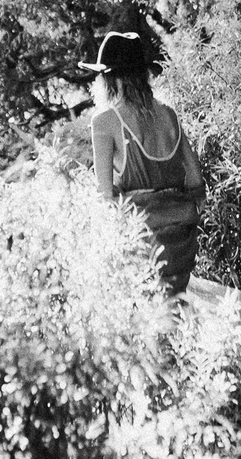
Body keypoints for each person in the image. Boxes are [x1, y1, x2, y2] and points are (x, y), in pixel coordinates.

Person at [83, 30, 206, 294]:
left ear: (109, 78)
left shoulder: (105, 121)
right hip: (182, 251)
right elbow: (196, 180)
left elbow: (104, 198)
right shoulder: (168, 114)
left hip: (143, 253)